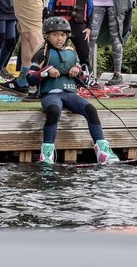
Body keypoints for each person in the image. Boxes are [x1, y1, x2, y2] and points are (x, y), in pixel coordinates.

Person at [26, 16, 119, 165]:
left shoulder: (71, 53)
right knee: (54, 111)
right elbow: (29, 78)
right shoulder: (42, 53)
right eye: (55, 35)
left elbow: (82, 79)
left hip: (70, 94)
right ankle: (47, 152)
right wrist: (46, 71)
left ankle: (102, 150)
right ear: (47, 36)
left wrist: (78, 71)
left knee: (91, 109)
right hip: (51, 95)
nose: (59, 38)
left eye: (63, 35)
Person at [47, 0, 94, 72]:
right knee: (55, 51)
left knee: (84, 52)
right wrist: (50, 21)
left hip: (79, 25)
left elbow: (90, 9)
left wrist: (89, 27)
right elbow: (51, 3)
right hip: (61, 24)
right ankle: (53, 72)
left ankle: (87, 76)